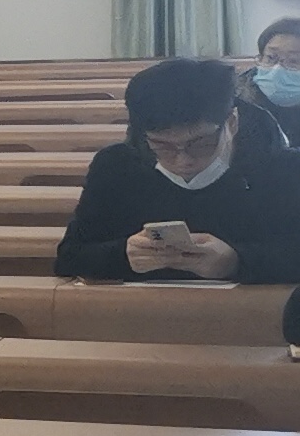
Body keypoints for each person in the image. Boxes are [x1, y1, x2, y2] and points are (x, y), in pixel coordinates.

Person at [54, 58, 300, 282]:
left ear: (232, 122)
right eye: (162, 146)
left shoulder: (284, 169)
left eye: (201, 144)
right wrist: (123, 254)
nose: (183, 160)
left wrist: (236, 262)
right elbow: (70, 258)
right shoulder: (116, 165)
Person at [238, 17, 300, 149]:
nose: (278, 69)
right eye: (271, 57)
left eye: (293, 60)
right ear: (260, 58)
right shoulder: (236, 100)